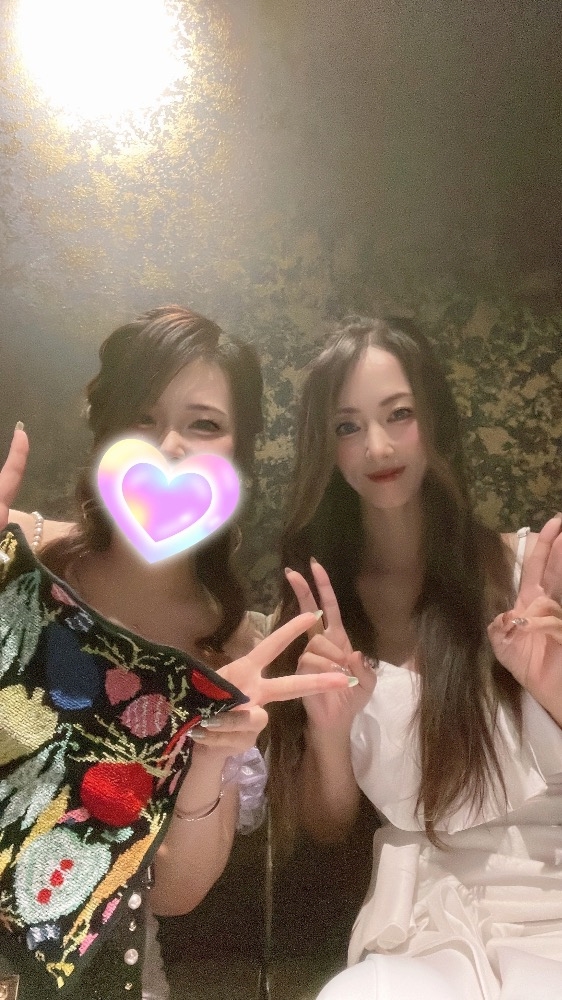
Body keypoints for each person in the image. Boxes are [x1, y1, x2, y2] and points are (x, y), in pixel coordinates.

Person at [0, 305, 354, 1000]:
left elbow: (176, 894)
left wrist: (214, 750)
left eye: (204, 424)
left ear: (238, 453)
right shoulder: (21, 554)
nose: (167, 445)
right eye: (142, 416)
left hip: (101, 968)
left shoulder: (232, 648)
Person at [267, 314, 562, 999]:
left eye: (398, 414)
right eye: (347, 426)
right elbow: (327, 828)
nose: (376, 446)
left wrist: (549, 684)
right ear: (325, 448)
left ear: (435, 417)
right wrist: (331, 730)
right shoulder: (320, 612)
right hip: (425, 908)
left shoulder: (534, 572)